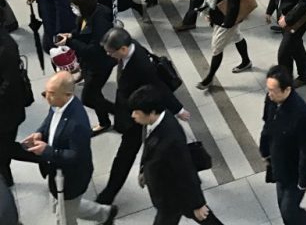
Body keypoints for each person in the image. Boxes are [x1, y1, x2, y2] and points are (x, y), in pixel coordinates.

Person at [96, 27, 189, 205]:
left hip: (136, 116)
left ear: (123, 49)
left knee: (125, 155)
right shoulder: (132, 47)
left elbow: (159, 87)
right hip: (128, 106)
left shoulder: (141, 65)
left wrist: (178, 110)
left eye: (110, 52)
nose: (109, 56)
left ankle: (109, 193)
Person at [18, 72, 117, 225]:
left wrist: (47, 151)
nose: (45, 96)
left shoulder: (77, 123)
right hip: (56, 173)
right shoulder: (58, 104)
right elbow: (50, 120)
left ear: (67, 94)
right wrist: (40, 132)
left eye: (51, 94)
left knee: (64, 218)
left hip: (71, 178)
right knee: (67, 206)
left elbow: (76, 156)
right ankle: (104, 213)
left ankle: (103, 214)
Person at [128, 85, 224, 225]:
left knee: (201, 216)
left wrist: (198, 204)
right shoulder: (152, 122)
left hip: (174, 195)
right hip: (169, 192)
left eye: (137, 112)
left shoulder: (171, 140)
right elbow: (149, 149)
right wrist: (145, 171)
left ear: (152, 112)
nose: (133, 115)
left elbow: (186, 171)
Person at [259, 65, 306, 225]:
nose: (269, 94)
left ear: (287, 90)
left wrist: (303, 181)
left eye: (273, 90)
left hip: (295, 170)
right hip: (278, 163)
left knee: (289, 211)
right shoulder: (271, 100)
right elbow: (267, 125)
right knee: (283, 207)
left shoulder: (302, 114)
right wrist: (265, 151)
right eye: (268, 89)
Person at [56, 0, 115, 135]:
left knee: (89, 97)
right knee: (93, 93)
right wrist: (70, 36)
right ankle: (110, 115)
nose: (73, 10)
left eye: (75, 6)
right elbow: (81, 31)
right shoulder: (86, 14)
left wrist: (70, 43)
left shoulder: (101, 20)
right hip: (89, 64)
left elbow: (94, 50)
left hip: (100, 64)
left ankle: (109, 117)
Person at [196, 0, 252, 90]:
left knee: (216, 48)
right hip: (218, 16)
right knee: (237, 37)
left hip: (225, 20)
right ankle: (246, 61)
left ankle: (209, 78)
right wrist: (208, 11)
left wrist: (227, 23)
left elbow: (233, 4)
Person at [0, 25, 26, 188]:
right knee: (4, 149)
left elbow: (10, 83)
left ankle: (44, 157)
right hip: (6, 108)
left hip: (7, 110)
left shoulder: (6, 47)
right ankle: (6, 179)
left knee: (5, 148)